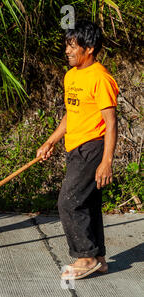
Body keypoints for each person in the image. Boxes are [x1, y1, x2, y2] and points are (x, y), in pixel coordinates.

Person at [36, 20, 119, 280]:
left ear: (90, 48)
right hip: (75, 147)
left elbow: (111, 121)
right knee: (88, 203)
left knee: (69, 202)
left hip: (92, 147)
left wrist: (107, 161)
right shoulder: (71, 76)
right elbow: (71, 115)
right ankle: (99, 259)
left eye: (73, 46)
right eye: (67, 46)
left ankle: (85, 257)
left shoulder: (100, 78)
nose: (68, 51)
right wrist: (51, 141)